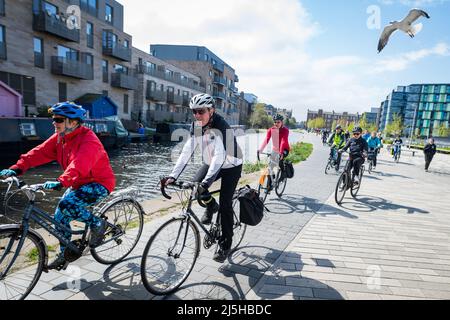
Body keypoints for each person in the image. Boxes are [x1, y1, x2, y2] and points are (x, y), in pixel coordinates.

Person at [0, 102, 115, 271]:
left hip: (99, 182)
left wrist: (62, 181)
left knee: (67, 205)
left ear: (74, 122)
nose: (54, 122)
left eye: (59, 119)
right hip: (77, 181)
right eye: (53, 119)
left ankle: (97, 224)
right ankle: (65, 254)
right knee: (60, 216)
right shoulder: (61, 137)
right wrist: (18, 168)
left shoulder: (89, 141)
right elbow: (39, 152)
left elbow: (79, 164)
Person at [163, 94, 243, 263]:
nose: (197, 115)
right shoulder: (197, 126)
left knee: (226, 204)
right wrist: (173, 175)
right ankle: (211, 206)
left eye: (201, 111)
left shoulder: (222, 127)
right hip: (212, 161)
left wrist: (206, 183)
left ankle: (225, 244)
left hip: (231, 164)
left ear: (211, 111)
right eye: (194, 112)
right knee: (195, 187)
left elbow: (219, 158)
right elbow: (187, 151)